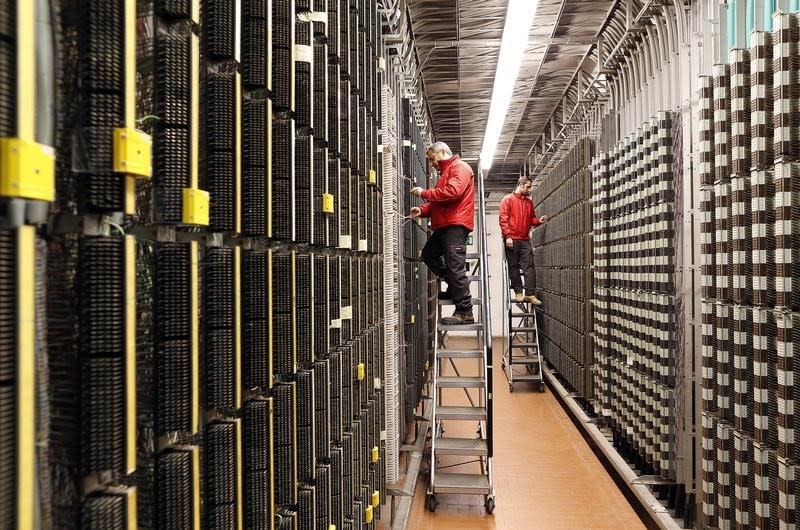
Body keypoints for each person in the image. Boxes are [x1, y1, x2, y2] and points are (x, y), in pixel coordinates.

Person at [407, 142, 475, 325]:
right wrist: (421, 211)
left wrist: (424, 192)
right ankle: (454, 287)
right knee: (429, 254)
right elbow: (440, 201)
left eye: (431, 159)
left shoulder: (460, 167)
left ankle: (465, 311)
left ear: (443, 152)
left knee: (456, 268)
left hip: (455, 225)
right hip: (445, 225)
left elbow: (453, 192)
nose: (431, 164)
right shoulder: (446, 173)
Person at [499, 176, 548, 305]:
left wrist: (538, 221)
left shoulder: (528, 202)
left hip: (524, 239)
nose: (529, 190)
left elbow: (531, 219)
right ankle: (518, 292)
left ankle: (530, 294)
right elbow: (503, 219)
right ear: (520, 185)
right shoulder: (507, 200)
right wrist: (508, 236)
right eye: (527, 187)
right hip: (512, 239)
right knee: (513, 266)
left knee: (530, 266)